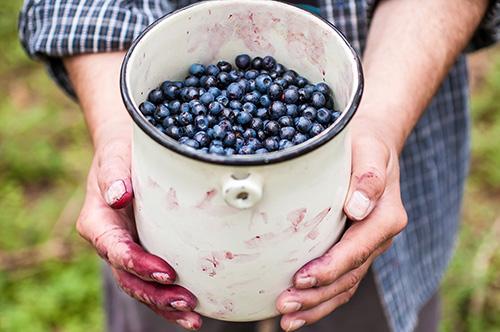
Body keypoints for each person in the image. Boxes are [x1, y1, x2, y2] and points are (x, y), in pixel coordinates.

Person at [19, 0, 499, 331]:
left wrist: (379, 125)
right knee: (172, 301)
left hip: (375, 182)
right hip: (167, 226)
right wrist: (116, 135)